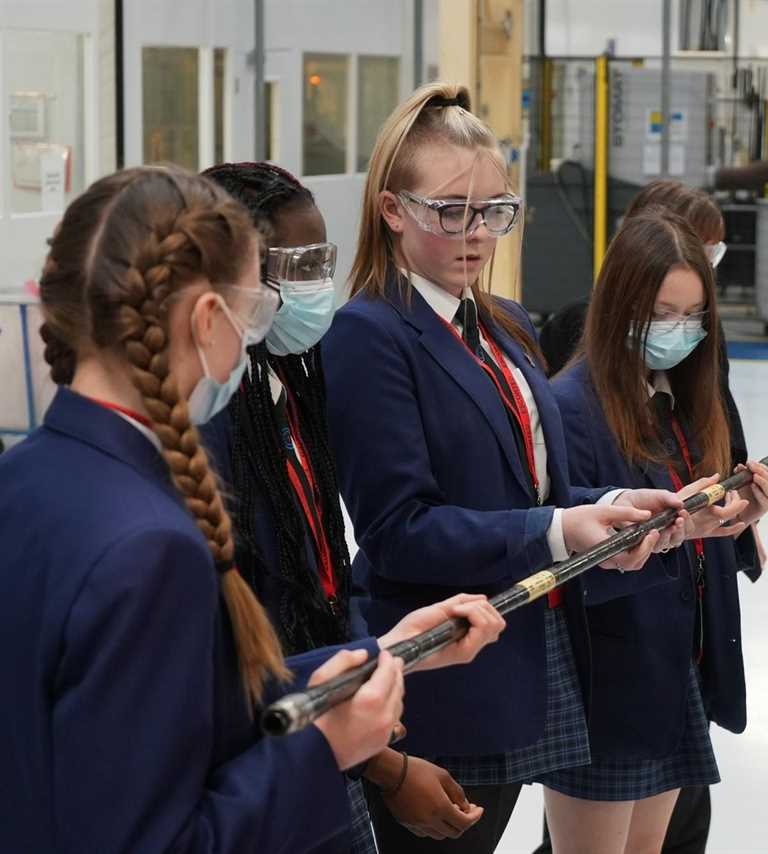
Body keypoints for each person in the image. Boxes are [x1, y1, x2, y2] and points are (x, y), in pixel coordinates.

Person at [0, 165, 505, 853]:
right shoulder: (150, 546)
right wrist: (323, 748)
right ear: (209, 318)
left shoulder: (27, 476)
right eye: (254, 312)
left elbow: (147, 709)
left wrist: (380, 653)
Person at [323, 82, 691, 854]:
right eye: (450, 211)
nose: (478, 233)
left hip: (530, 652)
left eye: (495, 211)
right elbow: (397, 531)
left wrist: (619, 505)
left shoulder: (503, 321)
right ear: (392, 209)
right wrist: (558, 528)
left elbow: (538, 492)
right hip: (446, 679)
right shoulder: (370, 333)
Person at [201, 160, 497, 847]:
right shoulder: (212, 428)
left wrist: (368, 663)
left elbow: (325, 568)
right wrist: (384, 762)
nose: (315, 287)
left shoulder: (292, 390)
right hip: (271, 752)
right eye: (295, 265)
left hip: (330, 726)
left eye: (321, 261)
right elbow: (252, 629)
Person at [543, 212, 768, 854]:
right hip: (607, 680)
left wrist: (736, 519)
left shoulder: (681, 398)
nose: (678, 332)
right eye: (662, 313)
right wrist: (669, 530)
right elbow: (568, 550)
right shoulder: (570, 407)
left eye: (693, 316)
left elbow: (693, 525)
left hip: (676, 668)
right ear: (619, 302)